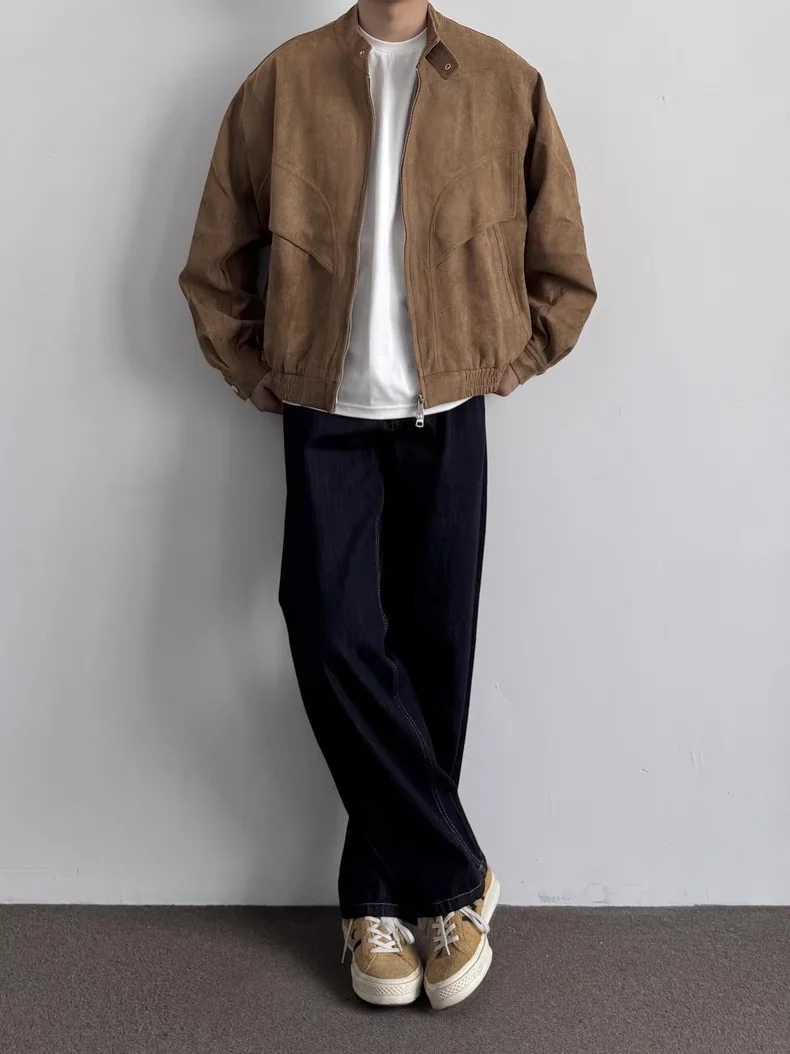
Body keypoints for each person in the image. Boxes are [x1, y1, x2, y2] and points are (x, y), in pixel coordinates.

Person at [178, 0, 596, 1010]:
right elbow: (215, 258)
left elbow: (563, 263)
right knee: (327, 630)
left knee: (436, 646)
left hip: (446, 409)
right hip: (325, 406)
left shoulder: (504, 81)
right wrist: (250, 367)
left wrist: (517, 356)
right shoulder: (283, 81)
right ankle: (453, 876)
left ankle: (379, 903)